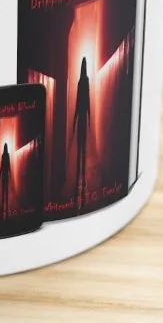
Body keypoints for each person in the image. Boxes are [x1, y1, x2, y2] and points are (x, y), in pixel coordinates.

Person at [73, 57, 91, 210]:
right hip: (84, 116)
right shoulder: (86, 81)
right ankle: (83, 173)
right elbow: (87, 101)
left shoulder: (80, 82)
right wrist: (90, 117)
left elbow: (77, 102)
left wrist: (73, 121)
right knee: (83, 145)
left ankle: (78, 170)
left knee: (79, 145)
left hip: (80, 116)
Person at [0, 141, 12, 221]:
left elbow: (1, 165)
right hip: (6, 172)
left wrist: (0, 174)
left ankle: (3, 199)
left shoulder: (3, 155)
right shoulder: (8, 155)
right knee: (6, 186)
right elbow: (8, 164)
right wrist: (10, 173)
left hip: (3, 173)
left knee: (3, 186)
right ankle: (6, 200)